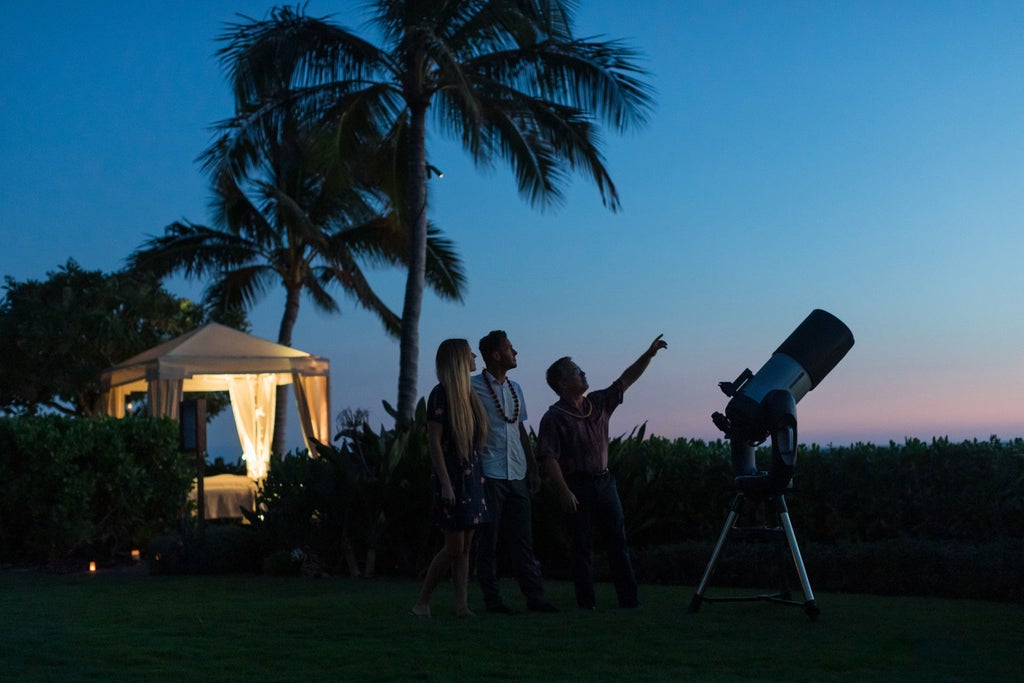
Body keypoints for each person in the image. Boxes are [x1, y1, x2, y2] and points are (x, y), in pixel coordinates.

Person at [536, 334, 668, 610]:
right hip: (577, 487)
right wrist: (564, 491)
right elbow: (549, 457)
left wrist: (649, 354)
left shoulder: (597, 403)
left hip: (605, 484)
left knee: (617, 542)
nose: (583, 373)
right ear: (562, 384)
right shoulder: (553, 417)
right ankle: (586, 603)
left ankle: (628, 600)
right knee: (581, 547)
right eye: (576, 371)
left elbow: (626, 380)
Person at [472, 330, 557, 614]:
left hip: (517, 472)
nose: (515, 352)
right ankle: (492, 599)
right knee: (489, 540)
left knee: (523, 540)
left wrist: (532, 468)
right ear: (496, 355)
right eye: (510, 348)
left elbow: (519, 428)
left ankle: (535, 598)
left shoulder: (515, 388)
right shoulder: (472, 387)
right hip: (490, 472)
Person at [411, 339, 490, 618]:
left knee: (466, 546)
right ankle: (422, 602)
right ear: (458, 359)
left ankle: (461, 605)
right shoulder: (441, 395)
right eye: (469, 353)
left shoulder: (469, 394)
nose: (473, 357)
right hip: (453, 479)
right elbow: (434, 442)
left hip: (471, 477)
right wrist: (445, 482)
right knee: (454, 546)